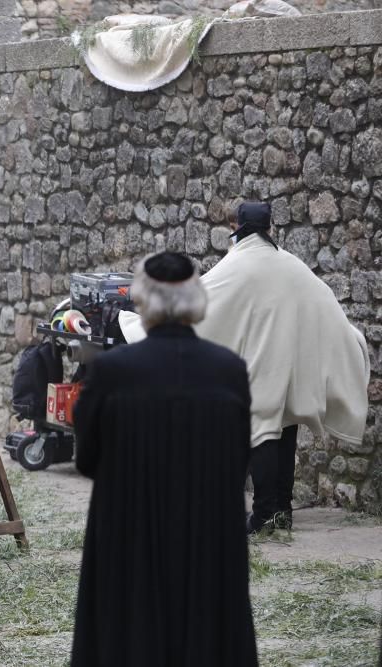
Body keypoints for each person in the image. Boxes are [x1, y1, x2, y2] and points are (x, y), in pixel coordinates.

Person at [119, 202, 370, 534]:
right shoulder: (290, 264)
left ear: (239, 229)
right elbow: (323, 299)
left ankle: (264, 515)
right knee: (286, 431)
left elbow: (204, 296)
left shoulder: (239, 263)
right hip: (292, 368)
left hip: (263, 367)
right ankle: (282, 510)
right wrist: (350, 338)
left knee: (262, 431)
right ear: (268, 228)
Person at [71, 252, 258, 666]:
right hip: (208, 538)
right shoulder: (228, 370)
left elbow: (86, 458)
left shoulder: (112, 371)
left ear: (142, 300)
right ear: (197, 298)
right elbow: (240, 459)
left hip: (130, 536)